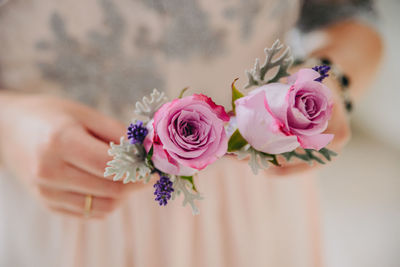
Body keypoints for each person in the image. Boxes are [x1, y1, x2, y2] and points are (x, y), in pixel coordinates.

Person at [0, 0, 382, 266]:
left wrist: (331, 82)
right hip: (65, 201)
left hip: (254, 198)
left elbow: (347, 13)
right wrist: (10, 125)